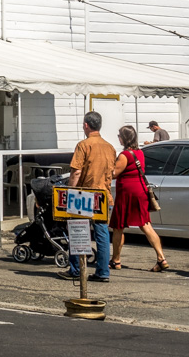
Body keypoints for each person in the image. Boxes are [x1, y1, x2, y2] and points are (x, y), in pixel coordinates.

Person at [58, 111, 116, 282]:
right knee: (102, 234)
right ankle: (103, 272)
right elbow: (112, 172)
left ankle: (76, 269)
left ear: (86, 125)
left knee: (77, 231)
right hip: (103, 195)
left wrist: (70, 191)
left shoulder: (83, 145)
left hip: (84, 194)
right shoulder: (110, 147)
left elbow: (76, 172)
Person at [108, 125, 169, 272]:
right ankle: (161, 258)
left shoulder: (124, 155)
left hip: (127, 192)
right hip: (140, 191)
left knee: (118, 226)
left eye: (119, 135)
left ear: (124, 138)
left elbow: (114, 173)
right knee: (146, 224)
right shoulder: (139, 153)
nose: (118, 138)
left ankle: (116, 260)